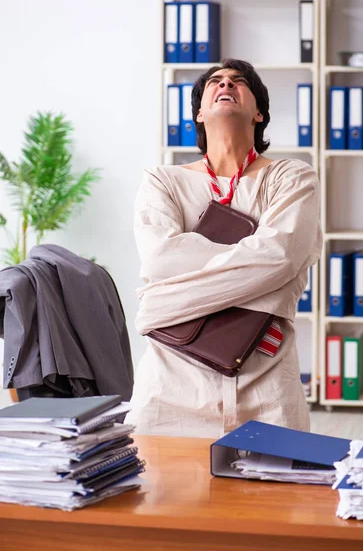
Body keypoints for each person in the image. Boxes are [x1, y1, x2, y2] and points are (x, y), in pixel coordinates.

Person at [131, 58, 322, 438]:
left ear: (259, 113)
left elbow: (281, 258)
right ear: (199, 114)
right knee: (159, 495)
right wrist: (261, 282)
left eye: (239, 81)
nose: (226, 84)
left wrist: (162, 303)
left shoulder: (291, 177)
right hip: (170, 386)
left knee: (276, 496)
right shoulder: (163, 181)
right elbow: (160, 258)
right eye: (215, 82)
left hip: (267, 385)